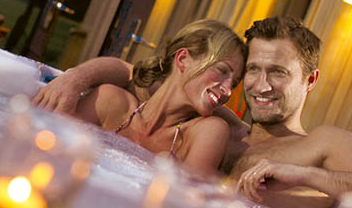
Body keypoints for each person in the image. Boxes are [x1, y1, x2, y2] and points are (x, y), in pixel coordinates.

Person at [33, 16, 352, 208]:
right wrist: (75, 78)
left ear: (310, 80)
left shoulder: (321, 144)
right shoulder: (226, 129)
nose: (259, 85)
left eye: (278, 72)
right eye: (252, 71)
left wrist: (306, 176)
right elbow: (142, 77)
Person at [56, 19, 246, 178]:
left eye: (234, 83)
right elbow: (52, 151)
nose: (228, 91)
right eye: (221, 71)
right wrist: (74, 78)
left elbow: (186, 207)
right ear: (182, 59)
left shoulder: (207, 132)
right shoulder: (109, 102)